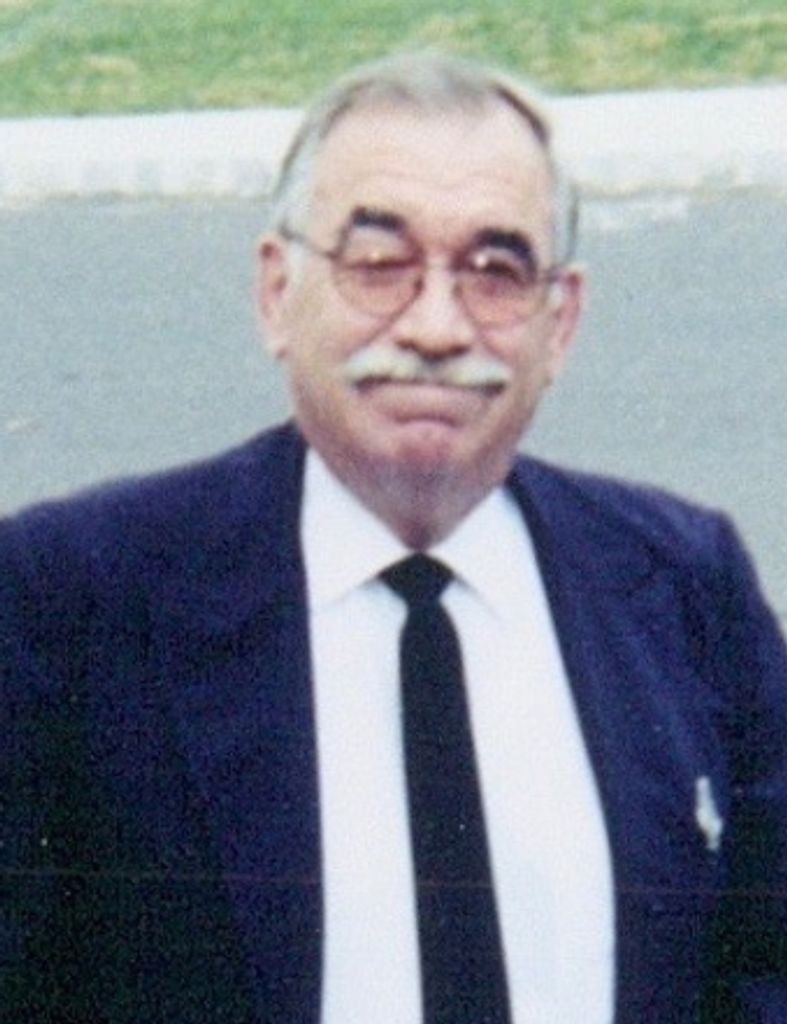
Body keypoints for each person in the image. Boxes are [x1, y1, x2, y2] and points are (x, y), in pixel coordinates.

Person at [2, 51, 786, 1024]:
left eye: (496, 272)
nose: (436, 326)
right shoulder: (70, 602)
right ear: (276, 293)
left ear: (560, 323)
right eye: (378, 265)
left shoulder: (685, 586)